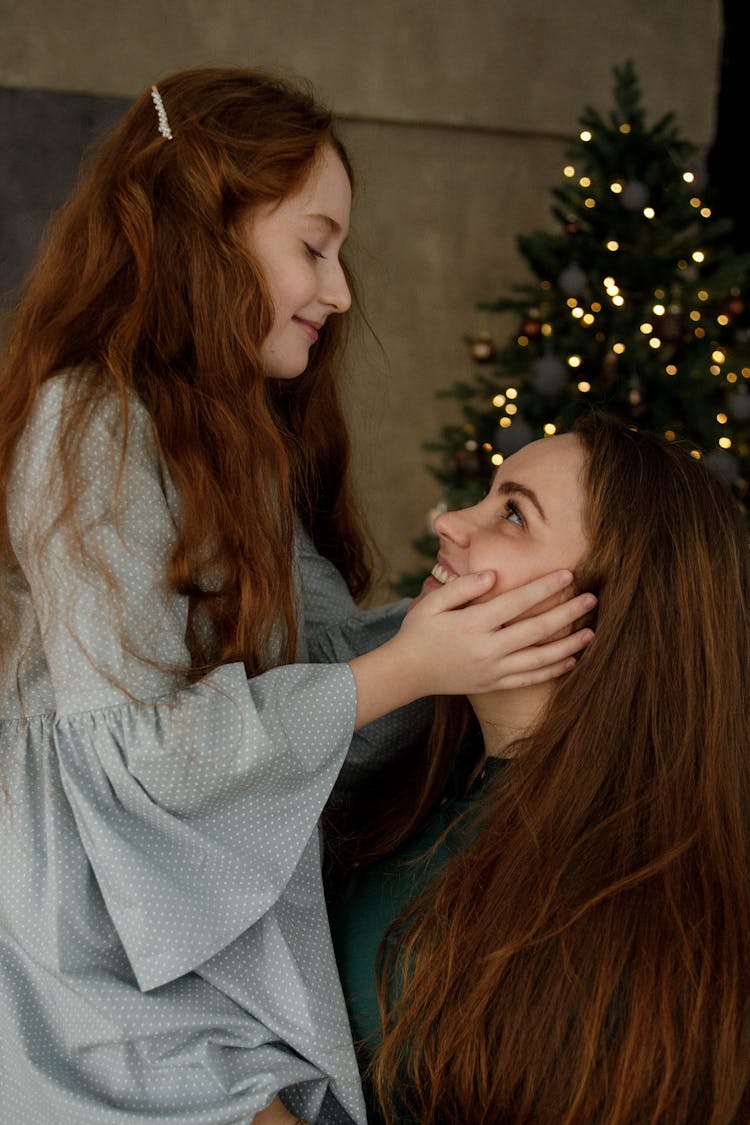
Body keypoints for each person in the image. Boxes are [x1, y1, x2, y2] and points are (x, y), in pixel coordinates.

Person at [0, 67, 596, 1125]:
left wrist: (466, 638)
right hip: (98, 945)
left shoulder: (239, 447)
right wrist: (418, 662)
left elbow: (329, 673)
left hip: (194, 920)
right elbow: (142, 757)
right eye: (314, 248)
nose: (340, 291)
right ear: (204, 234)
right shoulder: (90, 424)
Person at [329, 412, 750, 1125]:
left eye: (514, 514)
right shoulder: (414, 765)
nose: (452, 521)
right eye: (488, 494)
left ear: (614, 609)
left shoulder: (628, 913)